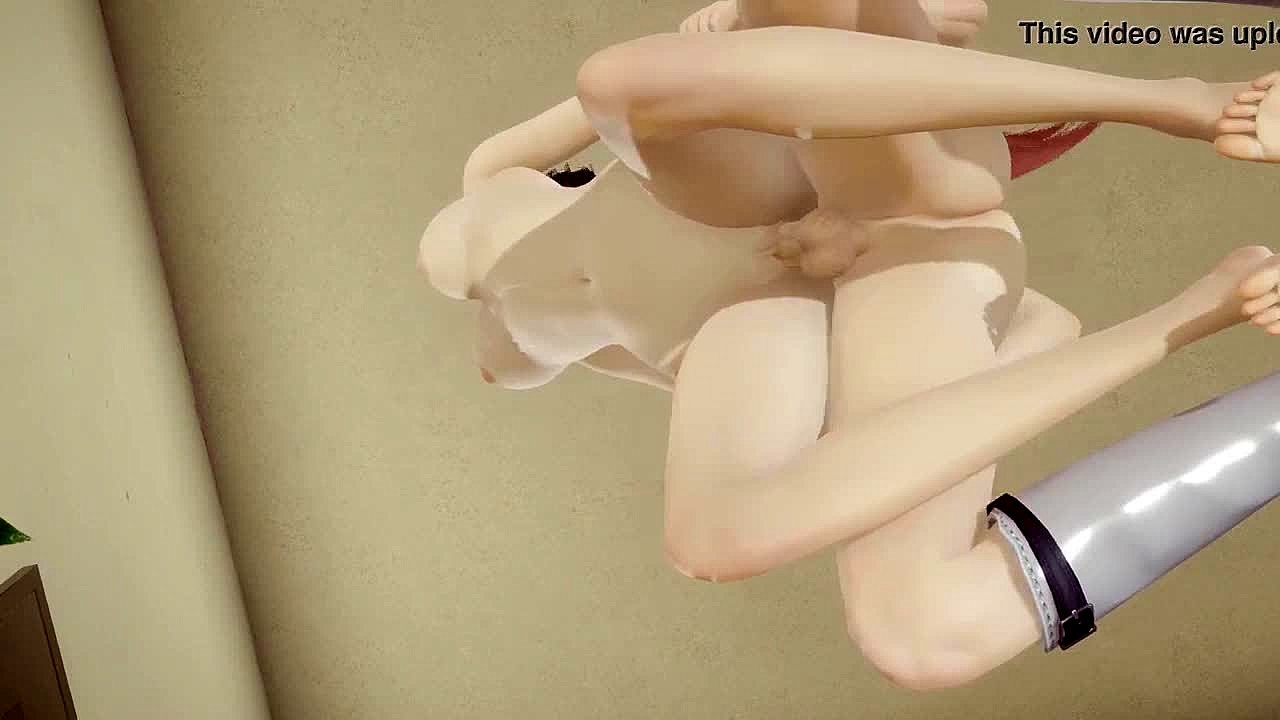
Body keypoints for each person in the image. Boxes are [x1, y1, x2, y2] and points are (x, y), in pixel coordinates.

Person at [419, 0, 1280, 690]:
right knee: (897, 625)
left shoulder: (489, 176)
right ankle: (1200, 314)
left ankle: (1173, 100)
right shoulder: (603, 350)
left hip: (756, 184)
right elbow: (805, 423)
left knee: (617, 83)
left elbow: (619, 98)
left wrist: (732, 25)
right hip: (806, 285)